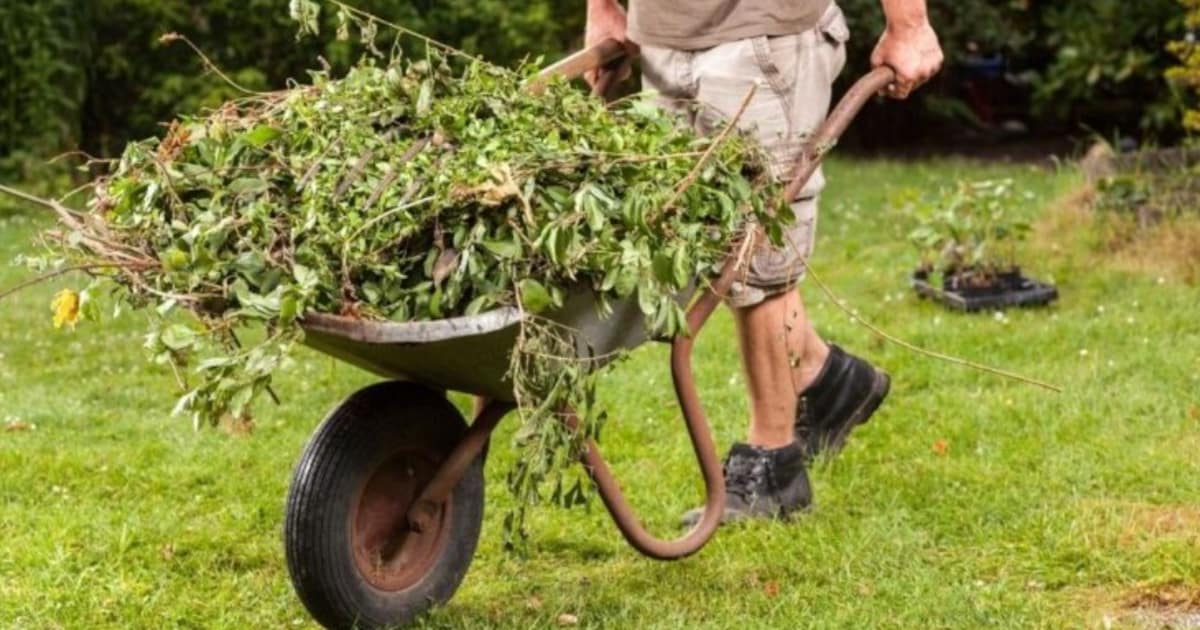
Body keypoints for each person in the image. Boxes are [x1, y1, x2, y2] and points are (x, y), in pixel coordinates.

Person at [583, 0, 943, 523]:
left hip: (764, 36)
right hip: (663, 37)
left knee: (758, 252)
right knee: (711, 246)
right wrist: (604, 8)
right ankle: (827, 377)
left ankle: (775, 465)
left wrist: (909, 24)